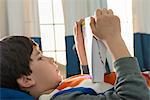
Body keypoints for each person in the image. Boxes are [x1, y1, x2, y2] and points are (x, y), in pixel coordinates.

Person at [0, 9, 149, 100]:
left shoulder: (59, 92)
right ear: (26, 80)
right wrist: (114, 39)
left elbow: (95, 90)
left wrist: (85, 61)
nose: (51, 59)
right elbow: (134, 96)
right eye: (40, 57)